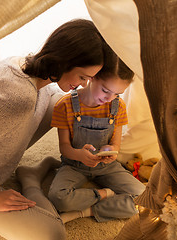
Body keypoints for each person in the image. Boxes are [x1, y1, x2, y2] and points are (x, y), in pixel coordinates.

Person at [0, 19, 112, 240]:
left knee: (60, 105)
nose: (84, 84)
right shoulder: (18, 98)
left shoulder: (24, 64)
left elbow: (62, 103)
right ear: (64, 61)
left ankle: (29, 175)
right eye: (82, 77)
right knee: (53, 234)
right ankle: (30, 180)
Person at [46, 54, 146, 223]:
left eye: (117, 93)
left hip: (106, 167)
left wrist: (111, 153)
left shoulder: (118, 106)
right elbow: (64, 146)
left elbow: (115, 143)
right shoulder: (64, 105)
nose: (109, 98)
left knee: (144, 198)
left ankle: (86, 211)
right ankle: (103, 194)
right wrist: (79, 155)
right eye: (106, 90)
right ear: (92, 77)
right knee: (58, 198)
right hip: (74, 165)